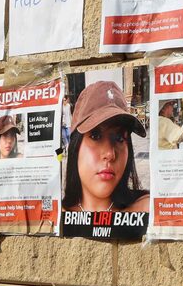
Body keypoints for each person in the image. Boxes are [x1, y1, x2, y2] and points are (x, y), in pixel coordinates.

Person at [61, 81, 149, 214]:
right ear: (76, 147)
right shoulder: (55, 218)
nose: (110, 154)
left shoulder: (146, 210)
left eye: (119, 139)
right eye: (95, 136)